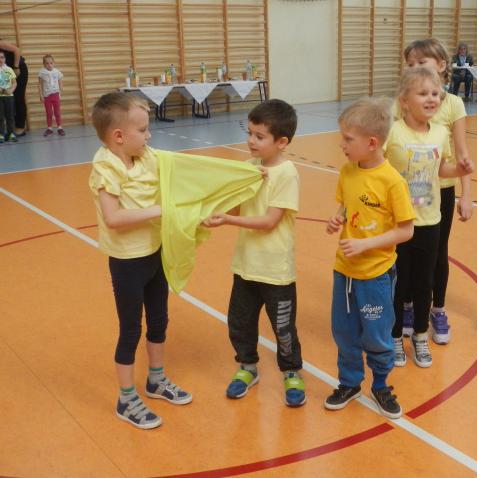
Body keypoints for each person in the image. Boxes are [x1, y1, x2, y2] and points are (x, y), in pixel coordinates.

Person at [88, 92, 193, 429]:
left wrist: (240, 174)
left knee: (159, 320)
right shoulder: (106, 167)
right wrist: (163, 210)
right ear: (119, 136)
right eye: (143, 130)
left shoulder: (146, 157)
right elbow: (113, 218)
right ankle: (126, 398)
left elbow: (186, 170)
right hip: (128, 262)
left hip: (154, 252)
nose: (149, 136)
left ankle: (156, 380)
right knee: (131, 328)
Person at [201, 99, 307, 408]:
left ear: (281, 142)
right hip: (246, 265)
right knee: (240, 322)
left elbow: (269, 221)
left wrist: (228, 220)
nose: (251, 140)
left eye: (259, 136)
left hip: (276, 271)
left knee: (283, 328)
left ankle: (291, 372)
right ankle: (247, 367)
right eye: (249, 133)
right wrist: (216, 209)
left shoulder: (286, 173)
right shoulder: (249, 168)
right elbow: (237, 207)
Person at [324, 97, 414, 419]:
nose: (342, 144)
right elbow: (347, 204)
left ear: (372, 143)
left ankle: (380, 385)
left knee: (376, 334)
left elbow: (406, 231)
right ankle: (350, 383)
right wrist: (338, 218)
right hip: (344, 271)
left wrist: (366, 245)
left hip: (375, 275)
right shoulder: (348, 171)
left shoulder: (393, 182)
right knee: (344, 332)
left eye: (348, 139)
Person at [386, 67, 473, 368]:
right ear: (404, 101)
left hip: (430, 220)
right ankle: (395, 336)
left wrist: (459, 170)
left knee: (425, 283)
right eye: (423, 93)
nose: (431, 98)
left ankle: (421, 335)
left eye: (435, 93)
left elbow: (441, 169)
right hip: (399, 222)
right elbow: (375, 167)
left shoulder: (440, 132)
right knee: (399, 284)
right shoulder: (393, 132)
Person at [38, 54, 65, 137]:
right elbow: (40, 85)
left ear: (54, 63)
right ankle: (49, 128)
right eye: (47, 63)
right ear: (44, 64)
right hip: (47, 96)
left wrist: (61, 90)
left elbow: (60, 81)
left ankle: (59, 127)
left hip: (56, 94)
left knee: (57, 112)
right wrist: (41, 95)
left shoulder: (57, 72)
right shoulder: (42, 73)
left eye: (51, 63)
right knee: (49, 112)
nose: (49, 65)